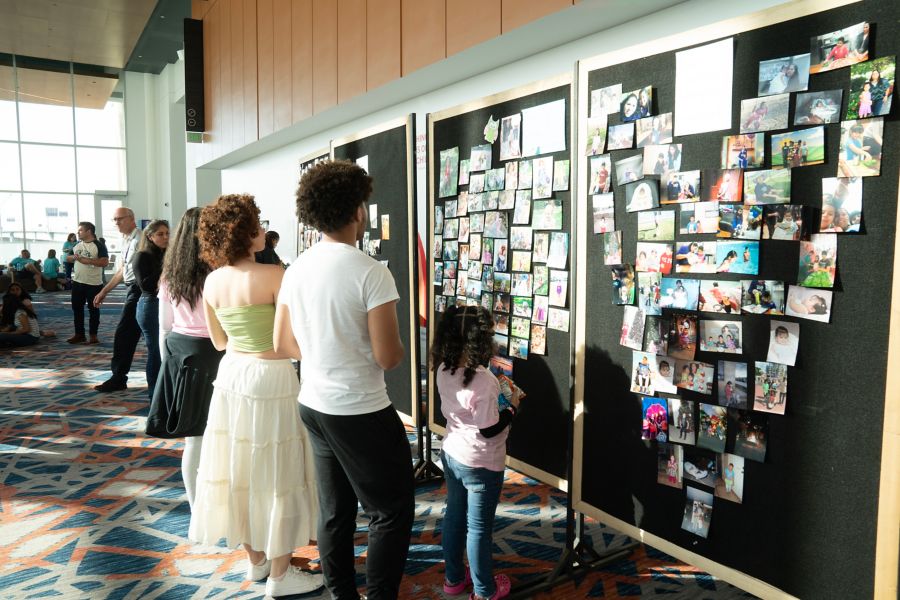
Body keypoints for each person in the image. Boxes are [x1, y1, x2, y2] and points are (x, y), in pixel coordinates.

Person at [275, 160, 414, 599]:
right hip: (360, 409)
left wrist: (325, 356)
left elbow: (282, 342)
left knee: (335, 510)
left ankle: (340, 594)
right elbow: (389, 357)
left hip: (314, 403)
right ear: (357, 210)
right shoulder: (371, 272)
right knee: (389, 512)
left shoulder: (296, 268)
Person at [189, 194, 323, 598]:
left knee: (238, 468)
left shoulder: (212, 281)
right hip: (272, 377)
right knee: (281, 470)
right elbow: (291, 339)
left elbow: (217, 341)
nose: (264, 230)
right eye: (259, 225)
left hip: (232, 377)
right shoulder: (275, 275)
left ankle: (257, 562)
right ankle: (281, 577)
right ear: (244, 233)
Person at [432, 305, 520, 600]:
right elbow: (489, 429)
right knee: (479, 529)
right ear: (482, 341)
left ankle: (454, 579)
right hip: (482, 462)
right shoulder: (485, 381)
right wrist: (513, 408)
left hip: (453, 453)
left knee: (454, 517)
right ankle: (484, 592)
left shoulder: (442, 369)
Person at [145, 208, 223, 512]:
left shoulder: (170, 274)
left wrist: (169, 365)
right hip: (215, 351)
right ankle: (216, 506)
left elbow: (165, 324)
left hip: (181, 351)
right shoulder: (218, 273)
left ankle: (196, 508)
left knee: (193, 439)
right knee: (221, 435)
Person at [93, 208, 142, 392]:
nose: (116, 223)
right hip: (131, 289)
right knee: (130, 334)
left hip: (140, 290)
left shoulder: (141, 239)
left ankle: (119, 377)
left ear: (132, 219)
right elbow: (122, 271)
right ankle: (119, 377)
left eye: (120, 219)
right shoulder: (126, 240)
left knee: (125, 334)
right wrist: (104, 291)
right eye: (114, 220)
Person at [133, 220, 169, 400]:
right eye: (160, 234)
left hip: (166, 304)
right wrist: (166, 267)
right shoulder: (142, 256)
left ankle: (163, 393)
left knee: (165, 350)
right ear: (150, 236)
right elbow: (146, 285)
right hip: (150, 306)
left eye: (167, 233)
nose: (165, 237)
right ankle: (154, 395)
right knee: (155, 351)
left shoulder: (167, 254)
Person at [67, 222, 109, 344]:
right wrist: (75, 257)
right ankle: (79, 334)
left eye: (80, 230)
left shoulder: (99, 245)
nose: (78, 232)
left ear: (89, 231)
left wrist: (87, 260)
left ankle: (93, 335)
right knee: (77, 309)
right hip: (78, 282)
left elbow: (104, 262)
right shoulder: (77, 245)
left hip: (94, 284)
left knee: (94, 310)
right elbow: (68, 258)